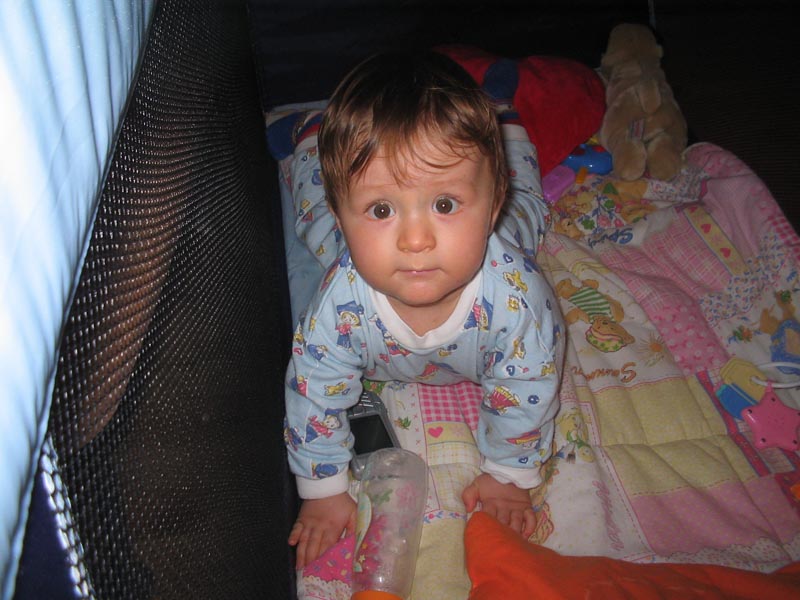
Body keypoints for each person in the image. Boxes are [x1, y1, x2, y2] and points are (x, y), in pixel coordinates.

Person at [272, 50, 565, 569]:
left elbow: (529, 387)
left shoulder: (518, 303)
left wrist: (508, 475)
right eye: (381, 209)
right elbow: (313, 390)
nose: (415, 240)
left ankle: (509, 126)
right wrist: (323, 487)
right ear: (347, 214)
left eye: (445, 204)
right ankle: (310, 140)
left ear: (489, 203)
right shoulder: (339, 304)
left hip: (503, 230)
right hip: (347, 241)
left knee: (527, 218)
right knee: (314, 229)